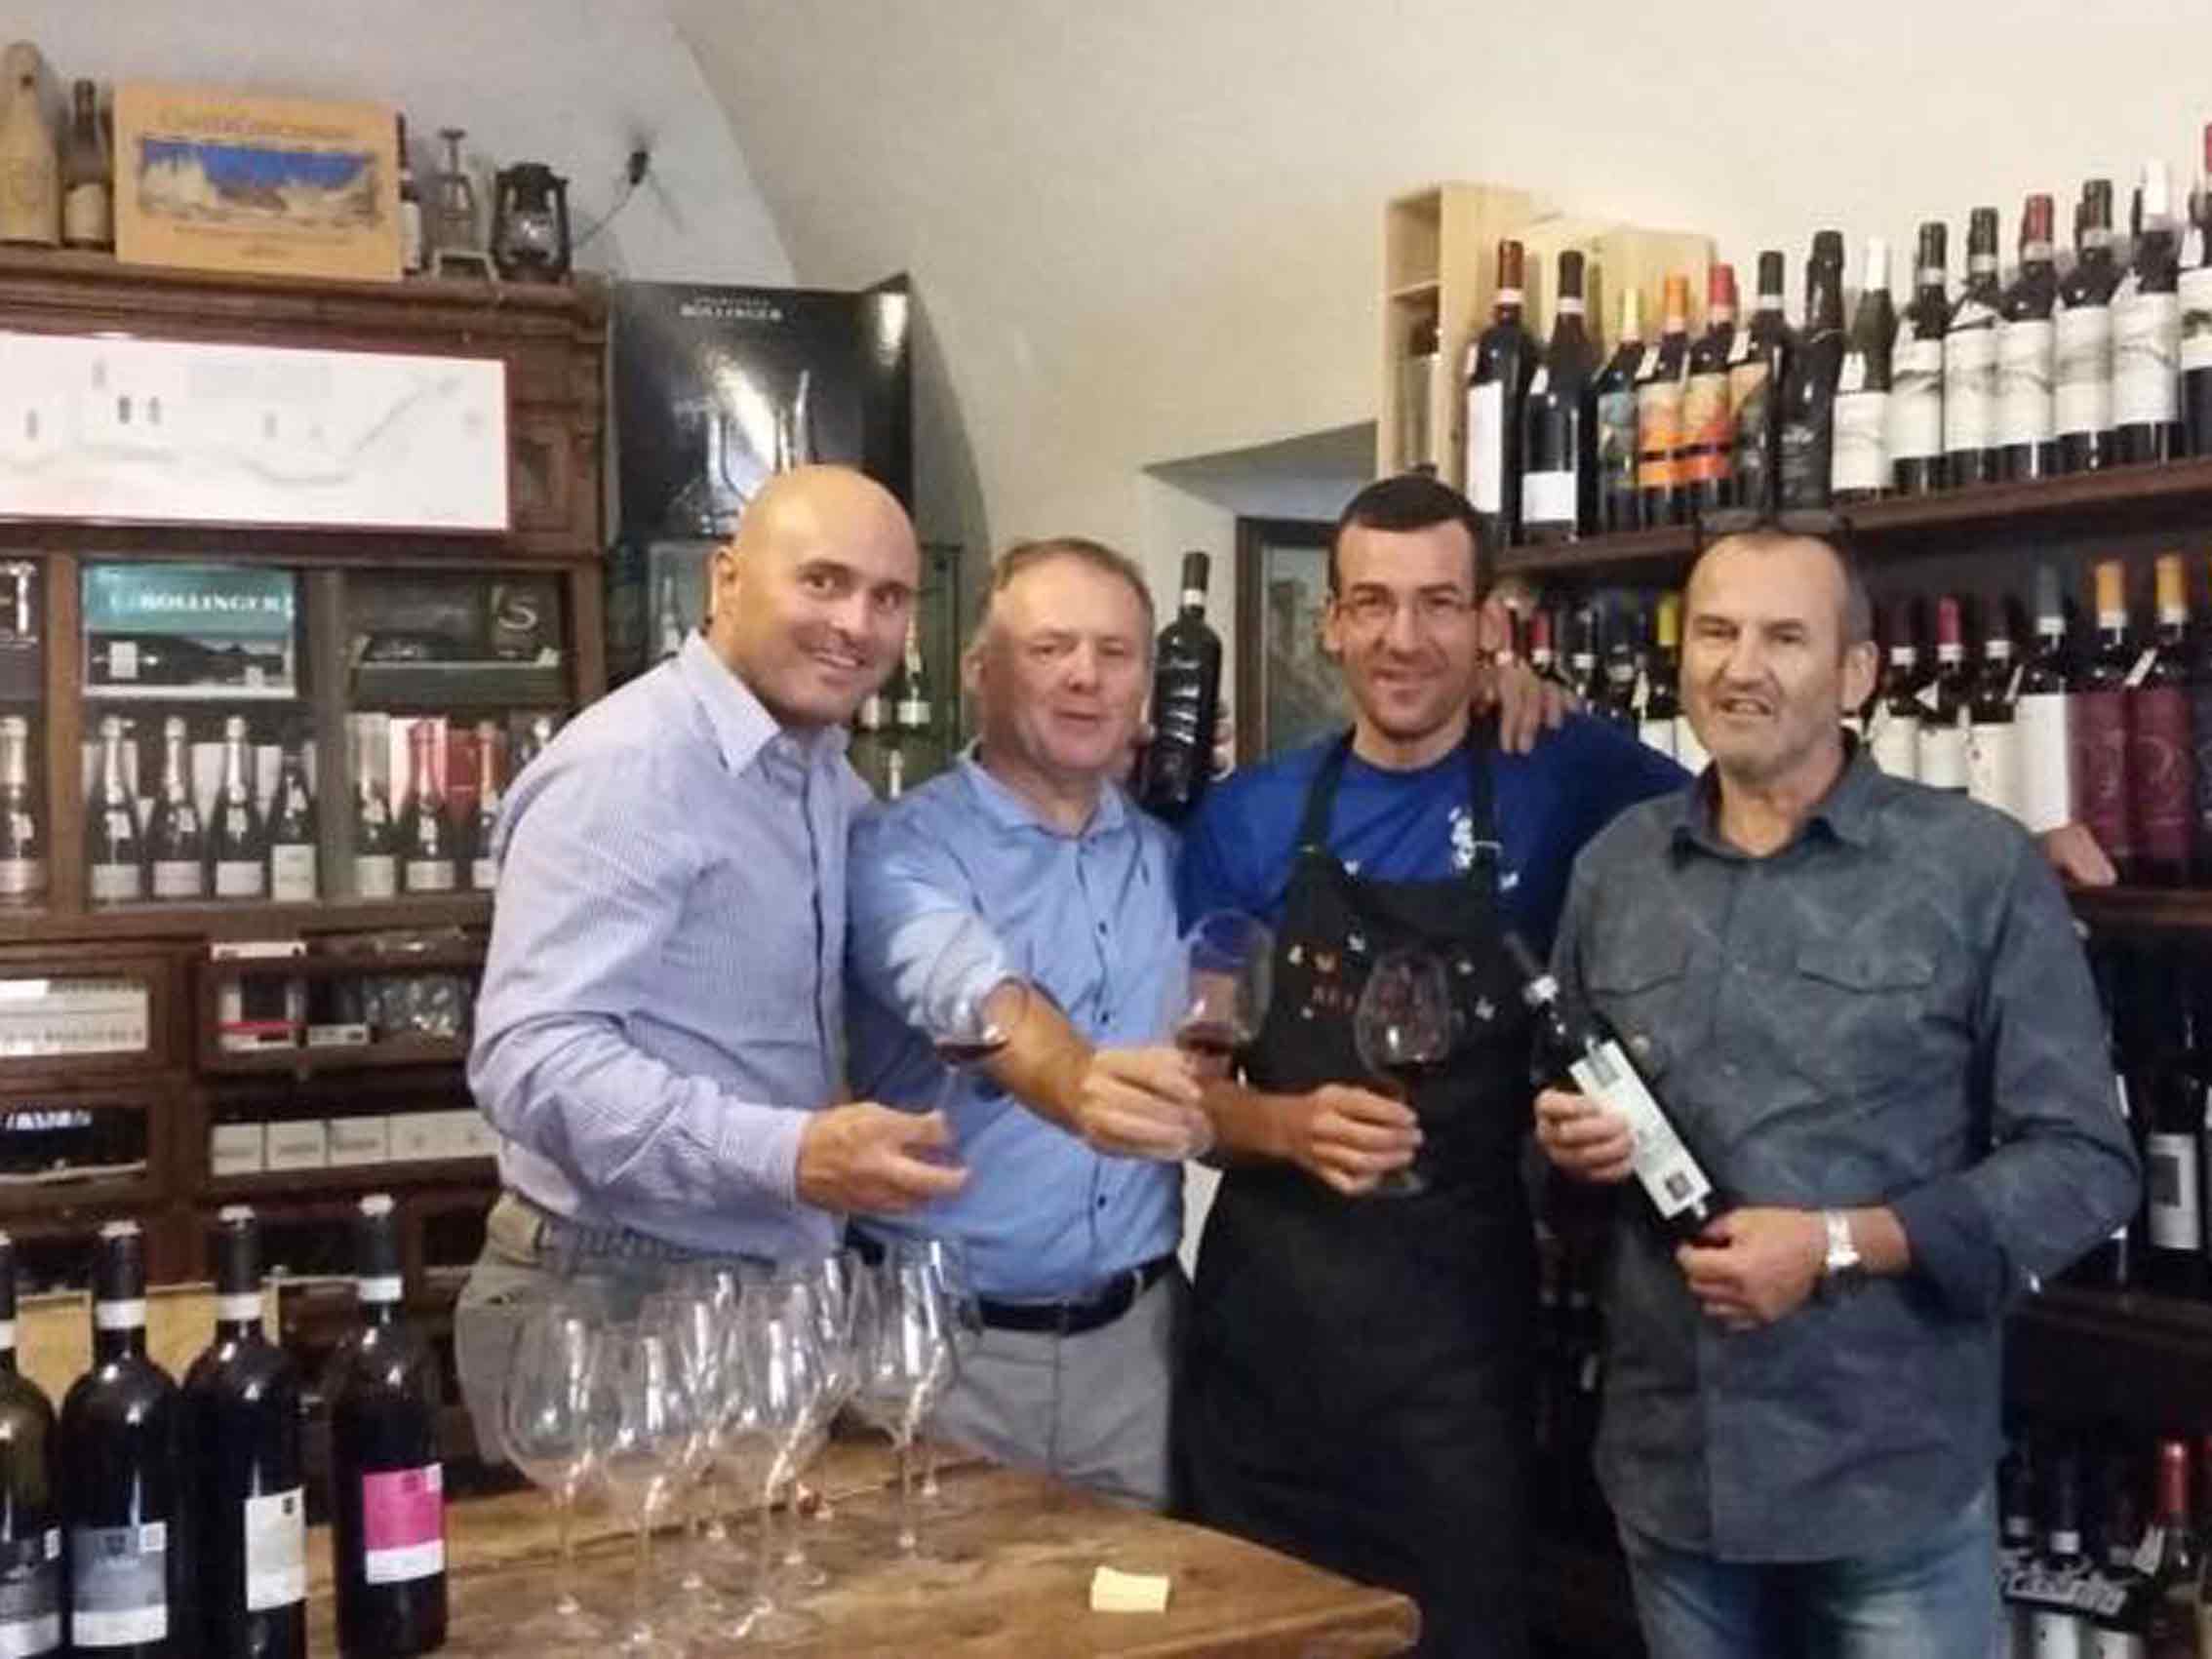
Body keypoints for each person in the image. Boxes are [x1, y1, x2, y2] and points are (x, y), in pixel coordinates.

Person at [1534, 514, 2139, 1659]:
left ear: (1857, 673)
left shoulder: (1974, 868)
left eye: (1784, 637)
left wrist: (1836, 1244)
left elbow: (2084, 1166)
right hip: (1672, 1474)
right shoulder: (1615, 870)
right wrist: (1566, 1149)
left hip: (1890, 1485)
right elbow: (1562, 1142)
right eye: (1715, 632)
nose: (1740, 666)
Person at [1173, 473, 1687, 1658]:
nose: (1404, 638)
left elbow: (1755, 812)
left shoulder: (1565, 773)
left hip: (1459, 1368)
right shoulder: (1250, 820)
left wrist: (2016, 840)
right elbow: (1194, 1089)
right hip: (1265, 1362)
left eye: (1439, 604)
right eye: (1373, 603)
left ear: (1490, 622)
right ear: (1331, 623)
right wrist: (1286, 1127)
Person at [454, 465, 967, 1456]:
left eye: (889, 597)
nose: (856, 624)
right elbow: (532, 1059)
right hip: (611, 1304)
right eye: (822, 581)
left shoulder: (819, 776)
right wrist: (789, 1154)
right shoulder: (632, 766)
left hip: (759, 1294)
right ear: (724, 580)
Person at [846, 536, 1208, 1510]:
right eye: (1050, 648)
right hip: (941, 1357)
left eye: (1115, 652)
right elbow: (967, 988)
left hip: (1138, 1355)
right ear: (980, 671)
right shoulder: (897, 848)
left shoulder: (1178, 860)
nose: (1086, 676)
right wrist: (1077, 1084)